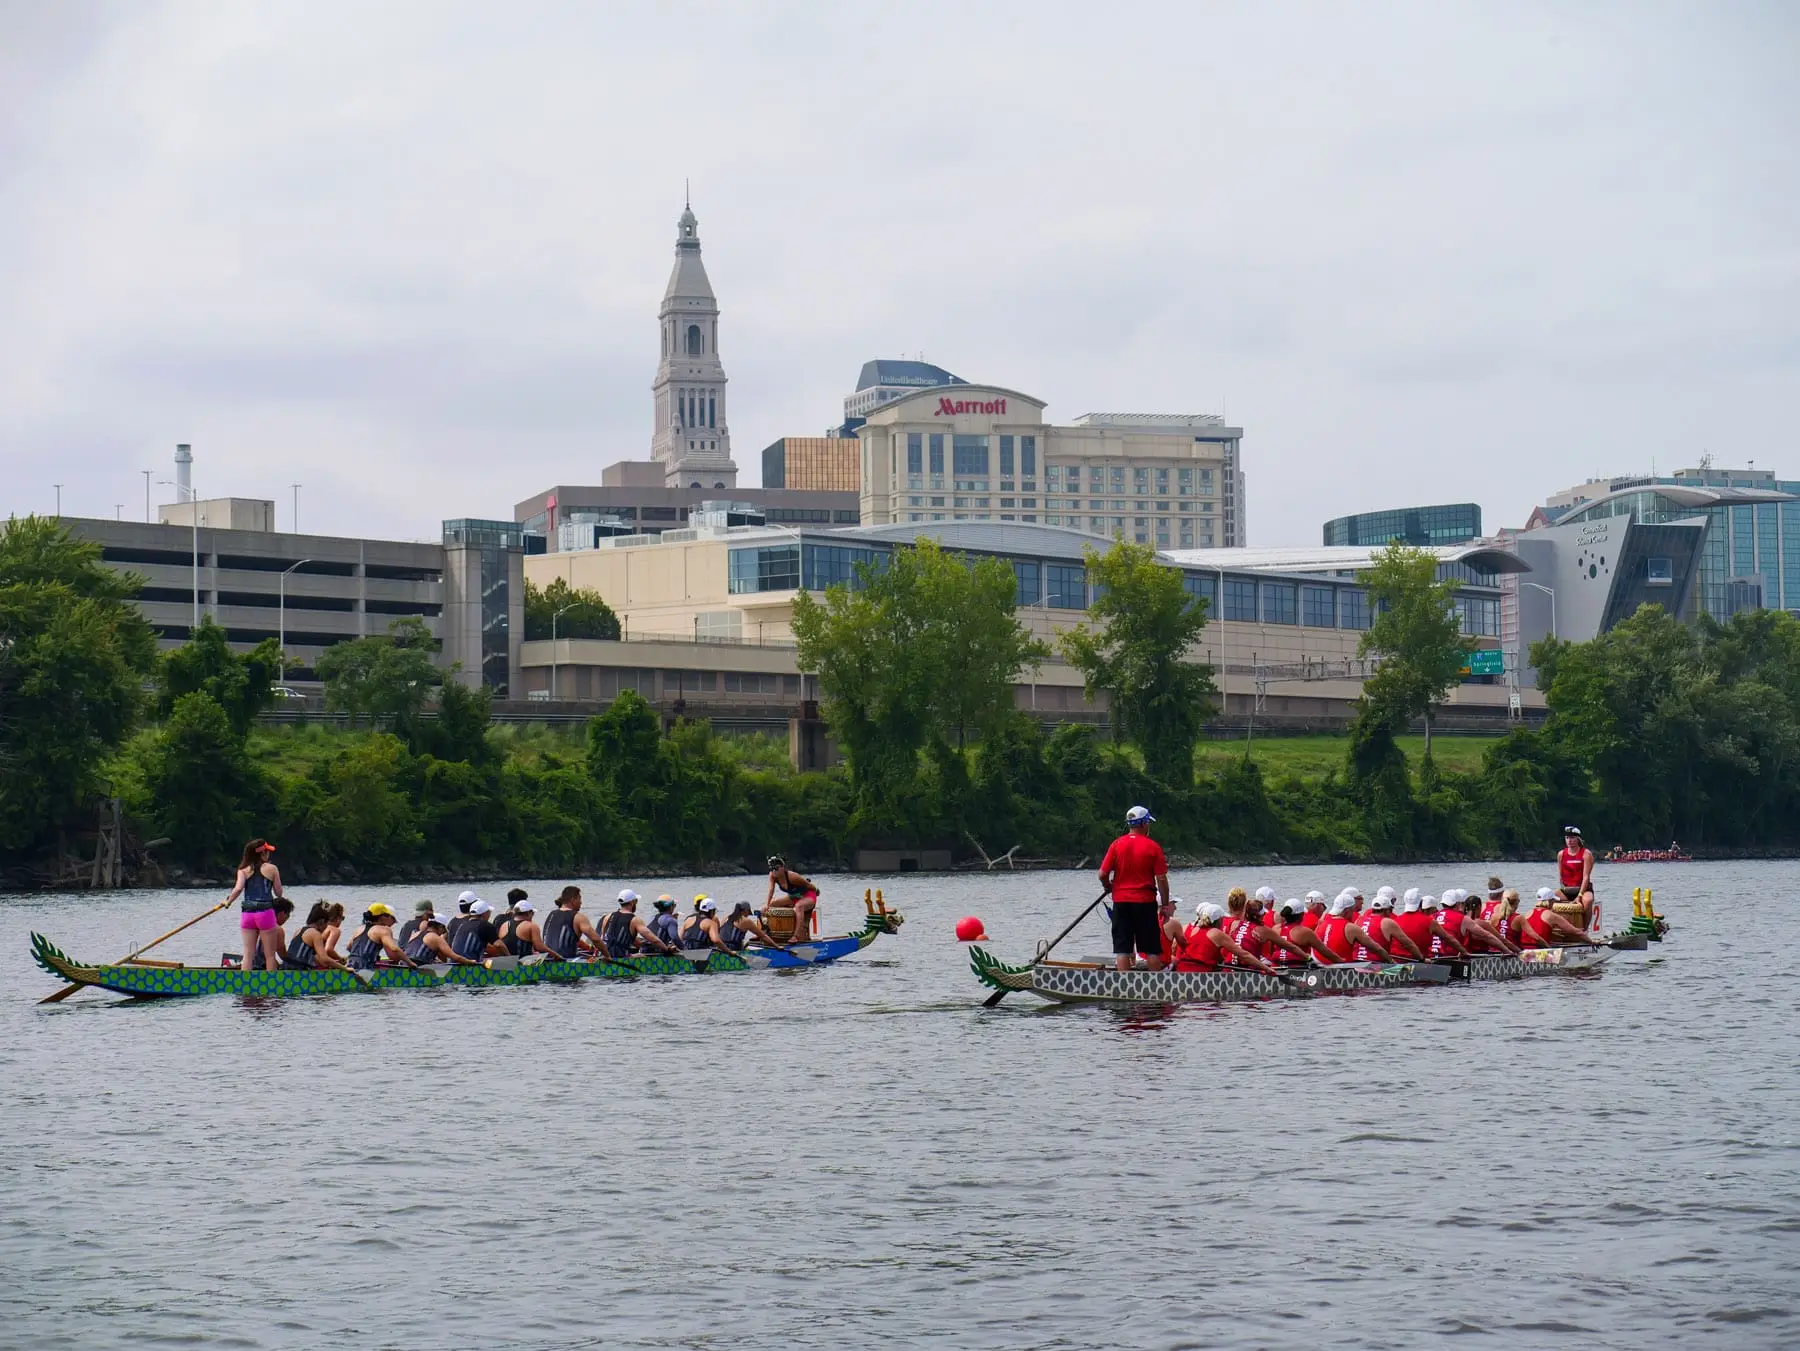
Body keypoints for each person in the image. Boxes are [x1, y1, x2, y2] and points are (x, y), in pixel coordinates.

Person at [1097, 805, 1171, 972]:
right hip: (1145, 902)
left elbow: (1102, 874)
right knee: (1152, 949)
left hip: (1121, 902)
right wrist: (1165, 905)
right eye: (1148, 823)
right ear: (1144, 824)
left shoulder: (1116, 844)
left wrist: (1108, 886)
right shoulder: (1153, 847)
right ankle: (1156, 984)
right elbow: (1161, 879)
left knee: (1123, 949)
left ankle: (1124, 983)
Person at [224, 839, 285, 976]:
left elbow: (238, 889)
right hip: (265, 913)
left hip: (247, 914)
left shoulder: (243, 870)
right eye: (267, 851)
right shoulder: (272, 869)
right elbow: (279, 893)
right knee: (270, 955)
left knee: (248, 954)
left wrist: (228, 902)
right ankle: (271, 983)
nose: (269, 854)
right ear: (262, 853)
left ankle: (245, 982)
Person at [1174, 901, 1277, 973]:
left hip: (1181, 972)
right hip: (1201, 975)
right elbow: (1244, 955)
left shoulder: (1191, 929)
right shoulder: (1217, 934)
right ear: (1219, 920)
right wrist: (1266, 969)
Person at [1224, 888, 1310, 967]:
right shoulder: (1264, 929)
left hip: (1228, 966)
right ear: (1262, 915)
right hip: (1249, 969)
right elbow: (1290, 947)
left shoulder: (1235, 924)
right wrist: (1307, 957)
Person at [601, 890, 675, 959]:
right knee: (642, 956)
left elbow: (604, 938)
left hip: (605, 956)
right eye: (636, 901)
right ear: (633, 902)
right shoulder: (635, 920)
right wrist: (667, 949)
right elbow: (654, 940)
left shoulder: (608, 916)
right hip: (622, 958)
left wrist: (641, 945)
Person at [1400, 889, 1469, 961]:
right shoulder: (1429, 921)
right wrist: (1464, 952)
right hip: (1423, 961)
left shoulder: (1396, 920)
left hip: (1402, 961)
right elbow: (1448, 938)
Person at [344, 904, 419, 970]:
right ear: (382, 917)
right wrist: (410, 963)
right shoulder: (383, 930)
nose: (390, 919)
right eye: (388, 916)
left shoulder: (359, 929)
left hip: (349, 965)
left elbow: (349, 947)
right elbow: (394, 949)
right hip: (365, 968)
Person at [1356, 892, 1426, 961]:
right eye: (1391, 909)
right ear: (1387, 910)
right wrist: (1422, 959)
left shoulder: (1358, 920)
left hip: (1356, 962)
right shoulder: (1387, 922)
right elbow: (1408, 944)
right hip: (1376, 964)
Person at [1449, 889, 1519, 956]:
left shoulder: (1460, 921)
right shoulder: (1482, 924)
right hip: (1480, 956)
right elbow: (1502, 940)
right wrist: (1518, 951)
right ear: (1479, 907)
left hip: (1462, 954)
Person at [1271, 898, 1338, 966]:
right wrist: (1340, 961)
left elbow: (1271, 950)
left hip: (1276, 966)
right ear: (1301, 915)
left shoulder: (1275, 929)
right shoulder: (1305, 932)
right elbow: (1325, 951)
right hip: (1297, 968)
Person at [542, 886, 603, 961]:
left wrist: (589, 948)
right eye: (579, 899)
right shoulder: (578, 917)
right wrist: (607, 955)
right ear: (572, 900)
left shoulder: (552, 914)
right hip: (566, 961)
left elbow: (571, 940)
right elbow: (596, 940)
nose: (581, 902)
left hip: (546, 959)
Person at [765, 857, 820, 939]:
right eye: (771, 869)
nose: (773, 871)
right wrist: (767, 904)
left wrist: (817, 891)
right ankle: (764, 933)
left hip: (808, 895)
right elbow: (771, 890)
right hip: (794, 896)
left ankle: (796, 936)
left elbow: (810, 886)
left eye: (776, 868)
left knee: (799, 906)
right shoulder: (772, 875)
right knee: (771, 904)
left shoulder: (792, 876)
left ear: (782, 867)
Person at [283, 901, 347, 970]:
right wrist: (345, 968)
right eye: (327, 923)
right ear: (322, 921)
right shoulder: (315, 934)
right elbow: (324, 958)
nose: (327, 926)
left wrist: (334, 963)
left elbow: (317, 958)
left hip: (285, 969)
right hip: (300, 971)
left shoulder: (299, 930)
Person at [1557, 826, 1596, 928]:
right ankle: (1555, 928)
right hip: (1567, 890)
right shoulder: (1561, 854)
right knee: (1547, 899)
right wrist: (1563, 888)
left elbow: (1586, 877)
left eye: (1572, 838)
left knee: (1588, 901)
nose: (1569, 840)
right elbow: (1561, 876)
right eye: (1567, 838)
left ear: (1578, 839)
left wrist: (1579, 895)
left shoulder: (1586, 854)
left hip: (1583, 889)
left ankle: (1584, 929)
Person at [1527, 887, 1591, 946]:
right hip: (1540, 949)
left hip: (1525, 947)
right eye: (1554, 900)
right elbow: (1577, 932)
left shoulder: (1528, 913)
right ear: (1551, 901)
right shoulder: (1552, 916)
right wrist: (1592, 942)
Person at [1158, 897, 1184, 967]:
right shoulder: (1173, 922)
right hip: (1159, 966)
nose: (1175, 908)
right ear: (1166, 906)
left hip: (1141, 960)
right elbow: (1185, 947)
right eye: (1173, 904)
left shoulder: (1143, 919)